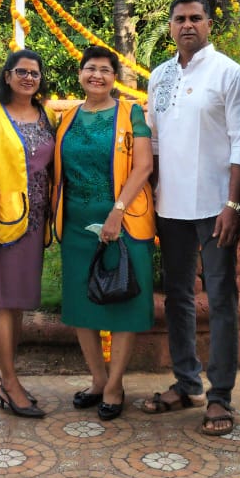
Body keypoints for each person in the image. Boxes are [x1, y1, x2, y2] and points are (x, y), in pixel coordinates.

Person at [144, 0, 240, 435]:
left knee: (222, 298)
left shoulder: (230, 73)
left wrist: (233, 204)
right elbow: (152, 142)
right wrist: (149, 200)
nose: (187, 25)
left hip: (215, 208)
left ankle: (220, 395)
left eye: (195, 18)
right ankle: (186, 382)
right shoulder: (159, 75)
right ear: (170, 26)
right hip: (169, 207)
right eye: (179, 19)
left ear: (209, 24)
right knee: (178, 298)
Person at [53, 45, 155, 421]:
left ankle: (115, 384)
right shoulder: (67, 117)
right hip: (77, 222)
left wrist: (117, 211)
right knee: (83, 304)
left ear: (115, 77)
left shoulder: (131, 112)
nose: (96, 75)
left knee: (124, 301)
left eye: (104, 70)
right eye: (90, 68)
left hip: (124, 220)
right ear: (80, 74)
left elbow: (143, 166)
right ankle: (97, 380)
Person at [0, 49, 57, 419]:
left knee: (18, 300)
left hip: (35, 221)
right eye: (20, 72)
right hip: (2, 221)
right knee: (1, 300)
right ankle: (9, 382)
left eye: (34, 73)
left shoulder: (47, 115)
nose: (28, 78)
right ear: (6, 76)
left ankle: (4, 374)